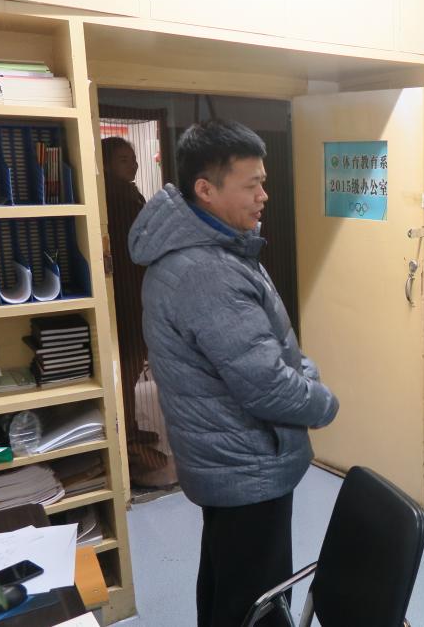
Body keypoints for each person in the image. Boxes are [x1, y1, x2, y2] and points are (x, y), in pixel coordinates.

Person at [129, 119, 339, 627]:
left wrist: (301, 371)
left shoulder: (217, 248)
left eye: (263, 182)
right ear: (206, 189)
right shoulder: (207, 271)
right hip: (248, 466)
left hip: (227, 460)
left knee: (228, 583)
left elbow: (266, 350)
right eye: (252, 185)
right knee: (256, 601)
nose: (264, 196)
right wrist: (323, 402)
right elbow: (266, 385)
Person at [101, 136, 167, 478]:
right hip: (126, 290)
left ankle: (131, 426)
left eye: (134, 158)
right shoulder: (114, 197)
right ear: (107, 164)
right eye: (124, 160)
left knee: (131, 363)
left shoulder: (128, 192)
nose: (134, 165)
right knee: (126, 364)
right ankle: (125, 434)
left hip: (136, 288)